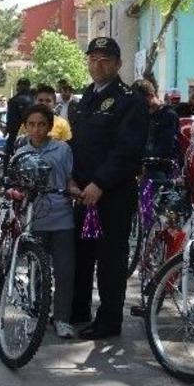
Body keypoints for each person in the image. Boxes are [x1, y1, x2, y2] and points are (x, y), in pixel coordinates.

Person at [69, 37, 148, 340]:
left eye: (104, 59)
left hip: (111, 194)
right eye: (92, 58)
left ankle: (109, 322)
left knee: (110, 261)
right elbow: (80, 144)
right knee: (80, 254)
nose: (97, 64)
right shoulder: (87, 96)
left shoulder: (130, 100)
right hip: (81, 193)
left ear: (117, 64)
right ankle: (78, 310)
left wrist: (99, 183)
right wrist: (73, 179)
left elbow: (127, 151)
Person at [16, 104, 79, 339]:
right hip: (34, 220)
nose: (36, 129)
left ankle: (61, 318)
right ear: (25, 126)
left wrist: (74, 190)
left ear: (50, 126)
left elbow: (70, 179)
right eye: (31, 124)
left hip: (62, 218)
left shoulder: (62, 150)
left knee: (64, 271)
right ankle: (36, 314)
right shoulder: (20, 153)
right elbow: (17, 185)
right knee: (36, 270)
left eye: (41, 124)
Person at [131, 79, 179, 180]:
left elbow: (165, 147)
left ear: (151, 95)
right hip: (141, 164)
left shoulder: (168, 115)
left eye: (140, 100)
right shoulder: (141, 115)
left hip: (161, 167)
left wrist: (144, 163)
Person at [4, 78, 34, 166]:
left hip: (16, 136)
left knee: (11, 161)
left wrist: (7, 130)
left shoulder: (14, 101)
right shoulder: (34, 100)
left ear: (18, 87)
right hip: (33, 135)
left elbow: (11, 122)